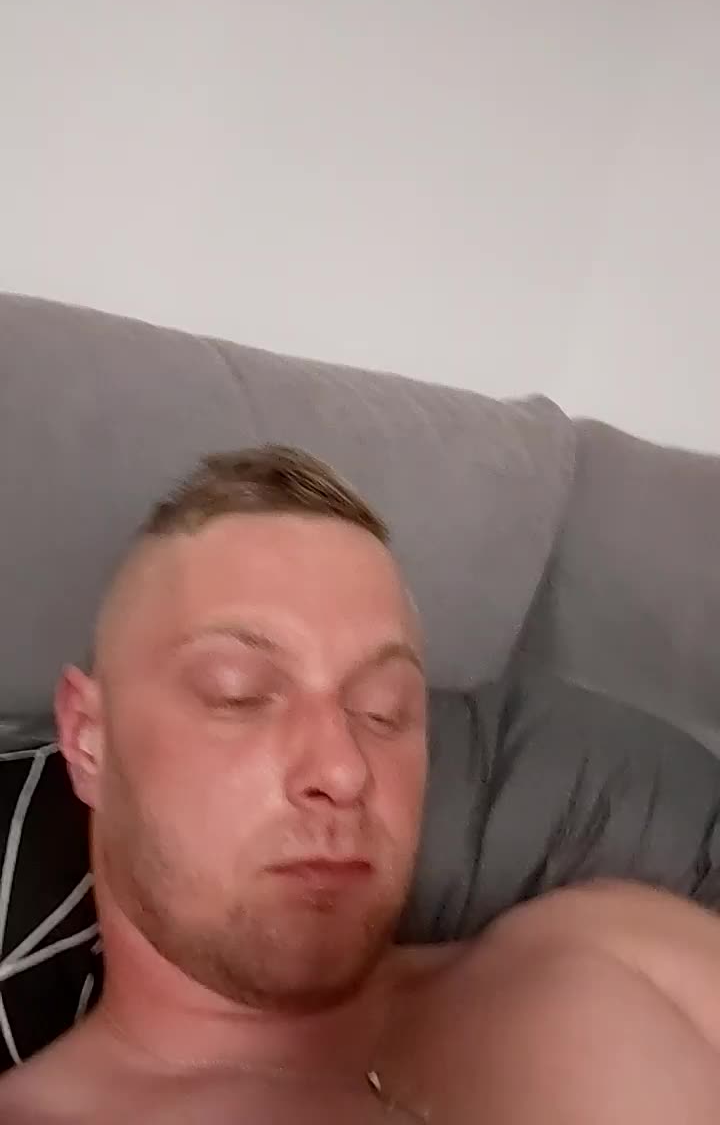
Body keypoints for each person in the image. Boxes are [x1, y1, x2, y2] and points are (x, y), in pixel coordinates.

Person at [0, 445, 718, 1123]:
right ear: (88, 739)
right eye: (238, 694)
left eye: (384, 710)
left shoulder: (608, 952)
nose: (345, 770)